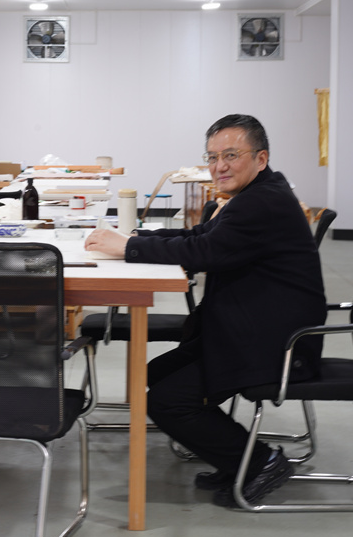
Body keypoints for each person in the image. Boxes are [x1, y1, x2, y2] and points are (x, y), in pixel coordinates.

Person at [84, 114, 327, 507]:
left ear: (261, 158)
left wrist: (128, 248)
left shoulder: (261, 203)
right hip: (249, 327)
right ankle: (235, 461)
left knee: (167, 400)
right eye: (212, 157)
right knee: (157, 375)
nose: (219, 166)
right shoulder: (255, 195)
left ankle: (260, 463)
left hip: (274, 344)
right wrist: (134, 238)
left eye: (231, 155)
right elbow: (199, 236)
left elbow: (203, 252)